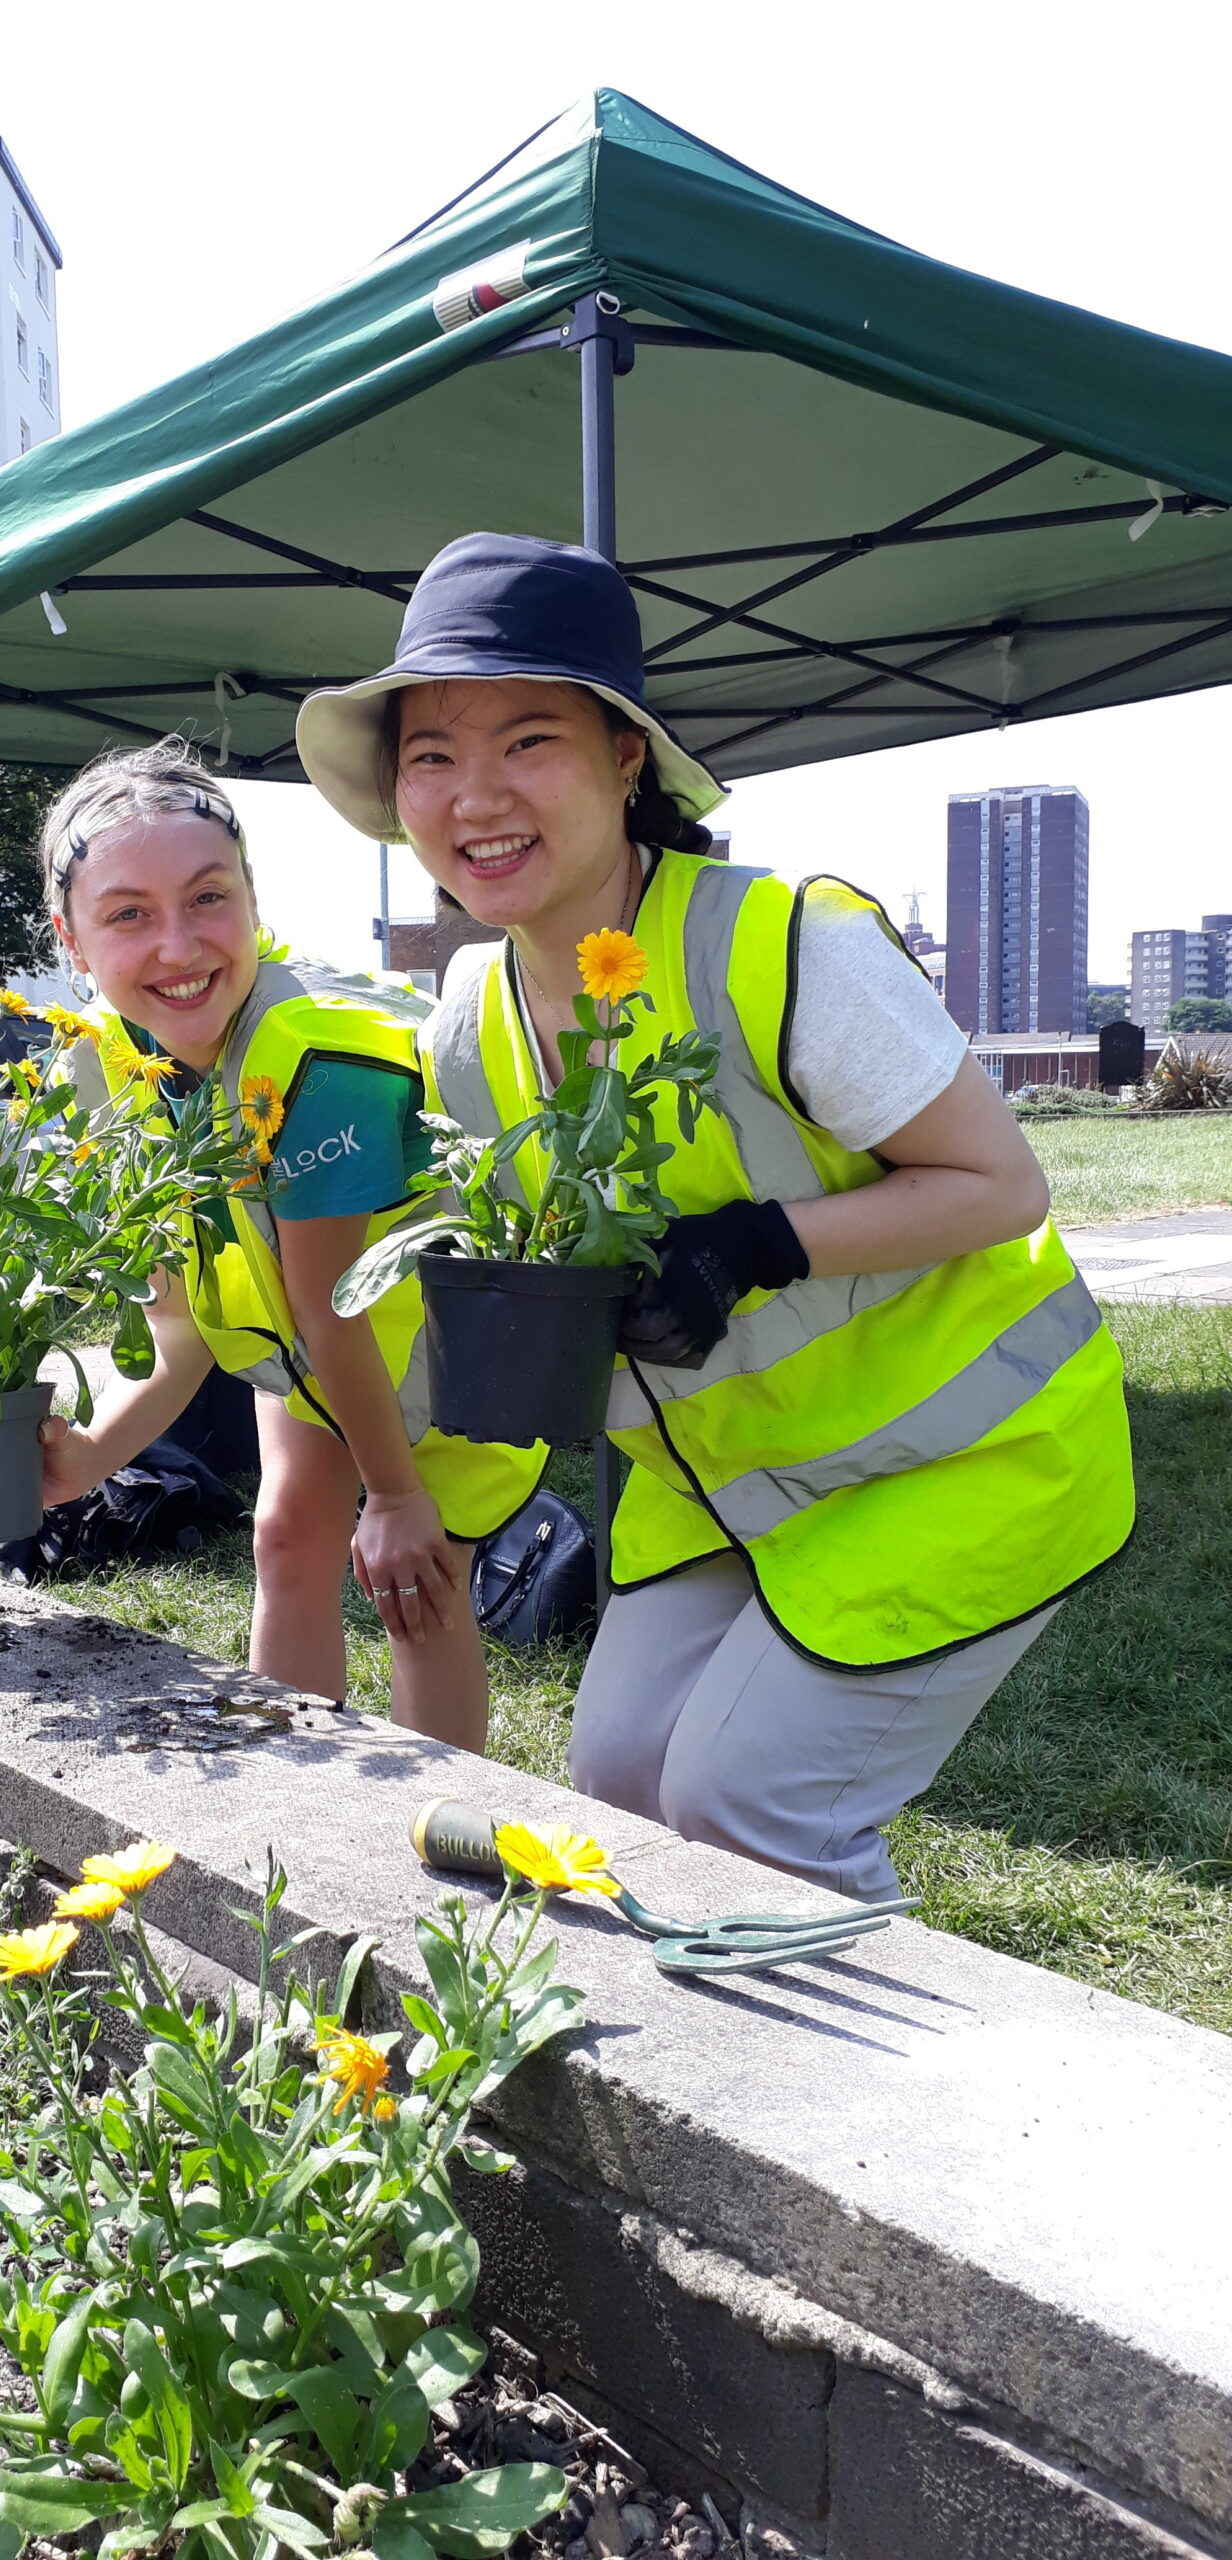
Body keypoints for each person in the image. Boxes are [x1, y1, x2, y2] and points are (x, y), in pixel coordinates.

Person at [294, 533, 1134, 1900]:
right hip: (726, 1490)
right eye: (432, 756)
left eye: (529, 741)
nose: (474, 795)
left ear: (628, 758)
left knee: (743, 1803)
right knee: (622, 1789)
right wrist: (424, 1486)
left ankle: (868, 2106)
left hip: (968, 1458)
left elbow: (1004, 1188)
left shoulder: (779, 942)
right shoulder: (465, 1020)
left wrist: (756, 1246)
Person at [32, 741, 544, 1750]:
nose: (177, 945)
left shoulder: (320, 1060)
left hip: (435, 1351)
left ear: (253, 898)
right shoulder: (109, 1063)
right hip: (316, 1355)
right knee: (286, 1533)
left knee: (415, 1578)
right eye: (128, 913)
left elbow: (334, 1303)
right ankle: (291, 1802)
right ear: (73, 939)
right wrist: (88, 1455)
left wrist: (395, 1496)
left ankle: (443, 1843)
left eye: (208, 898)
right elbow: (180, 1327)